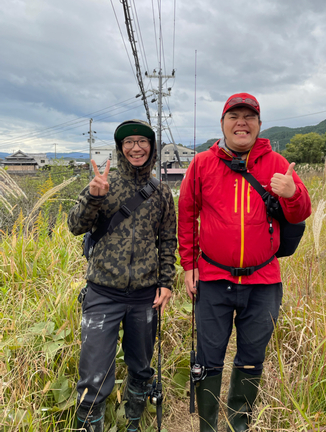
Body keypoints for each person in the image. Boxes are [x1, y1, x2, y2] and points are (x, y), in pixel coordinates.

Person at [178, 93, 311, 432]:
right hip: (211, 278)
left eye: (249, 117)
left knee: (252, 358)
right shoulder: (202, 164)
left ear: (259, 125)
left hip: (263, 280)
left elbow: (300, 213)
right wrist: (189, 265)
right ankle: (208, 425)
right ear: (222, 124)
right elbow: (187, 215)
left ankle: (239, 424)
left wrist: (292, 193)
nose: (242, 122)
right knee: (208, 359)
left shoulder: (278, 163)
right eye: (234, 116)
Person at [68, 119, 177, 432]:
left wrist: (165, 283)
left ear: (152, 148)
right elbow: (75, 226)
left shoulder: (161, 192)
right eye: (128, 142)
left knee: (142, 369)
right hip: (103, 293)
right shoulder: (105, 184)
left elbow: (168, 240)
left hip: (145, 296)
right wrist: (93, 196)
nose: (136, 147)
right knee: (93, 377)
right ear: (120, 149)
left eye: (142, 141)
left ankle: (133, 423)